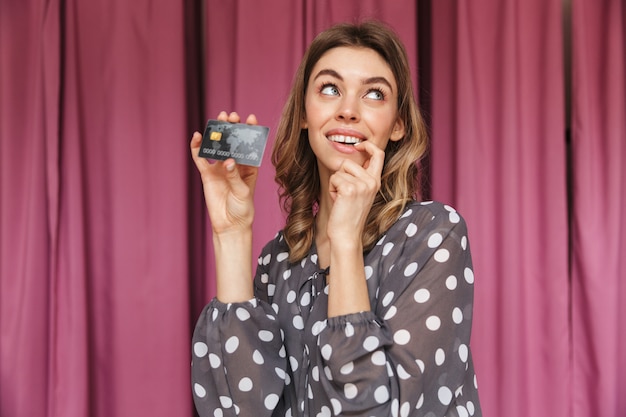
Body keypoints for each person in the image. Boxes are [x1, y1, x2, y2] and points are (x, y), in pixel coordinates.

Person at [189, 20, 482, 417]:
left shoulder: (432, 234)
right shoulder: (280, 259)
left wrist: (345, 240)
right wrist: (232, 234)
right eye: (330, 89)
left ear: (397, 125)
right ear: (306, 115)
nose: (348, 110)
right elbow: (242, 408)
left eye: (374, 94)